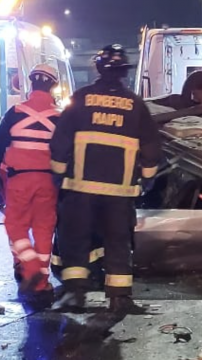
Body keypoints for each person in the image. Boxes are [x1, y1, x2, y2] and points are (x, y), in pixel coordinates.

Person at [50, 44, 162, 314]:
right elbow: (150, 146)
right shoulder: (135, 105)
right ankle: (119, 297)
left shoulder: (80, 99)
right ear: (125, 72)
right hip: (120, 191)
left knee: (75, 239)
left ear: (98, 68)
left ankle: (75, 294)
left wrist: (57, 173)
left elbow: (60, 141)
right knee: (117, 242)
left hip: (80, 188)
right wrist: (147, 178)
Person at [0, 64, 61, 301]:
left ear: (30, 83)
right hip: (48, 181)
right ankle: (41, 283)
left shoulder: (16, 112)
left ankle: (29, 267)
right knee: (44, 229)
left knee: (15, 225)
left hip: (18, 179)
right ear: (53, 86)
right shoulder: (59, 117)